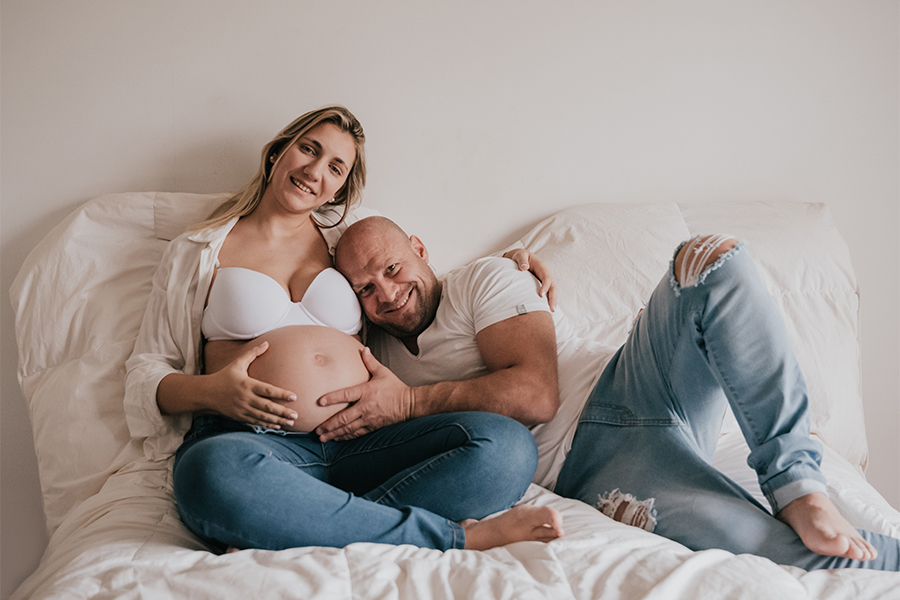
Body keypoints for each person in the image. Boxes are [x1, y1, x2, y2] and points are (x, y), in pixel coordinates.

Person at [321, 215, 900, 571]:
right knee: (770, 550)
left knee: (710, 258)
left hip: (635, 382)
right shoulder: (375, 354)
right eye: (365, 288)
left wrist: (410, 403)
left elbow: (535, 395)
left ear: (420, 249)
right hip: (598, 467)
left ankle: (798, 483)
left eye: (393, 268)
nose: (388, 294)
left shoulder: (481, 280)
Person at [124, 106, 564, 553]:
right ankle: (450, 537)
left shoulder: (346, 241)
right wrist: (213, 392)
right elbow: (147, 368)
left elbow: (412, 283)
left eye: (335, 167)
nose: (315, 171)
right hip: (252, 442)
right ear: (277, 152)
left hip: (362, 440)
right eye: (308, 150)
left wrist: (509, 267)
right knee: (210, 473)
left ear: (341, 187)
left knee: (505, 446)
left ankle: (296, 522)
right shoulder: (197, 250)